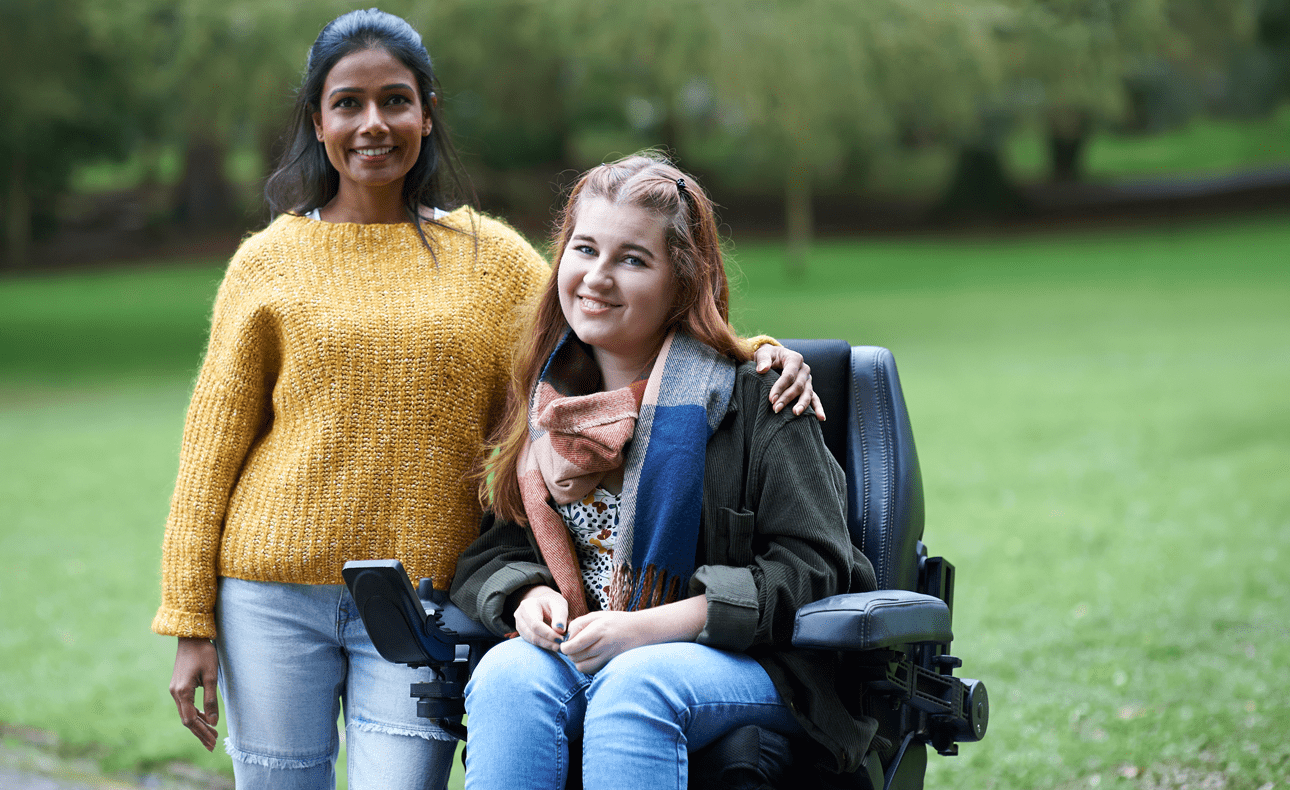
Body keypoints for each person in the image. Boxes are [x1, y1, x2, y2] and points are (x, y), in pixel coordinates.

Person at [152, 10, 821, 790]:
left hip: (420, 598)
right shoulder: (263, 264)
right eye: (348, 103)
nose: (374, 123)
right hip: (268, 594)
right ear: (317, 120)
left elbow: (614, 311)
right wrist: (189, 622)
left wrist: (761, 352)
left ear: (427, 113)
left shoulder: (492, 259)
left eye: (396, 100)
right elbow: (210, 454)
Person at [451, 153, 879, 789]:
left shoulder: (761, 396)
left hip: (749, 662)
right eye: (584, 248)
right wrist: (526, 594)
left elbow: (817, 569)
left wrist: (647, 630)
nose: (597, 277)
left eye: (632, 259)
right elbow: (499, 547)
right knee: (507, 676)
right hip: (583, 645)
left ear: (682, 282)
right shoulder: (542, 402)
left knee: (635, 681)